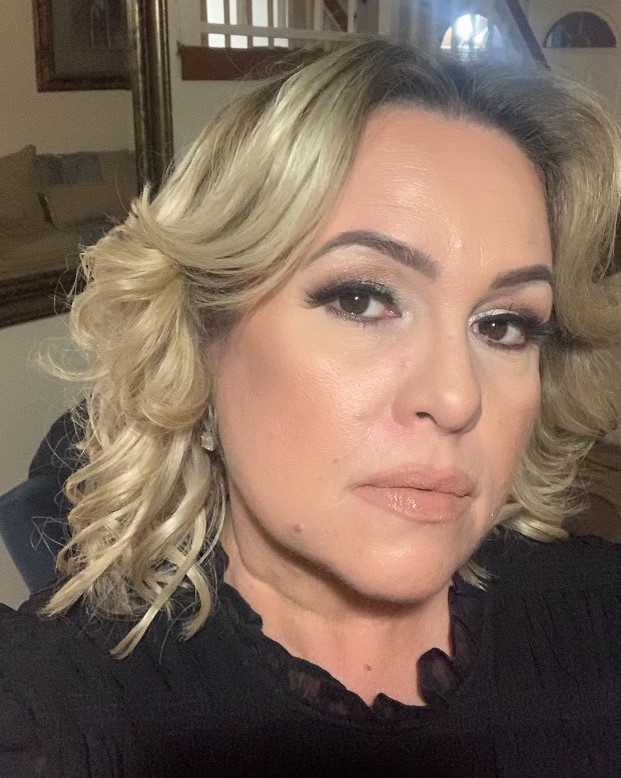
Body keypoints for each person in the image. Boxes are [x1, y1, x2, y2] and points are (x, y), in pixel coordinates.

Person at [1, 39, 620, 777]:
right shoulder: (52, 714)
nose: (457, 398)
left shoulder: (596, 617)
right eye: (360, 299)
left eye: (504, 325)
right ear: (198, 347)